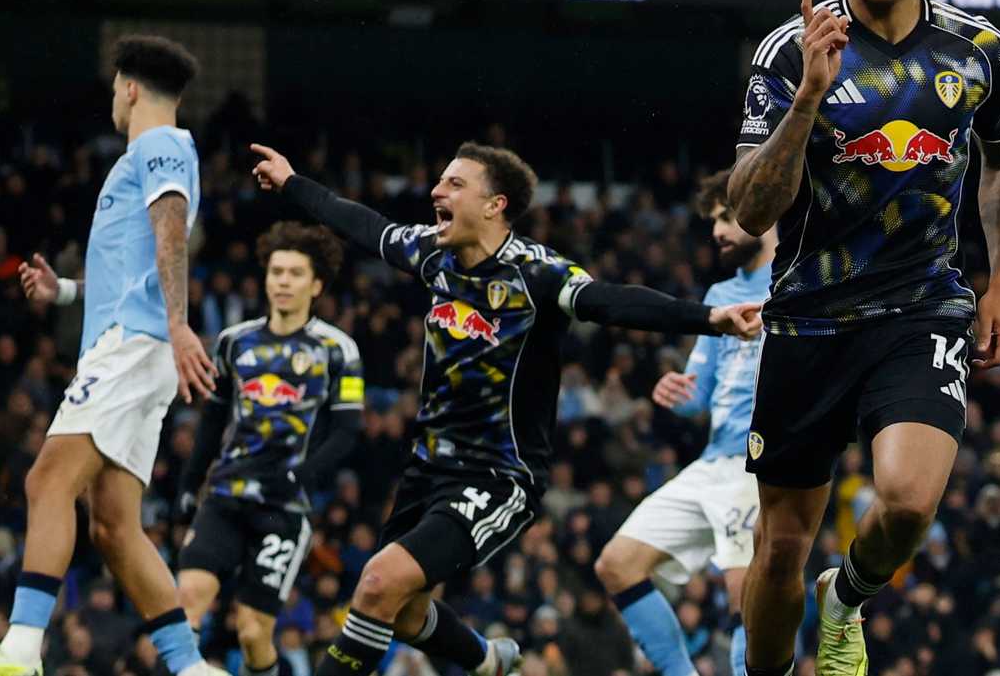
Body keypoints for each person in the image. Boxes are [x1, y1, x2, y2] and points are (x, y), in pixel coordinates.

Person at [247, 142, 763, 676]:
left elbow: (612, 300)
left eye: (454, 184)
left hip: (498, 473)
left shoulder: (536, 274)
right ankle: (489, 661)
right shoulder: (432, 253)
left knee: (378, 582)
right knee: (402, 613)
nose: (435, 192)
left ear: (494, 205)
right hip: (427, 469)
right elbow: (358, 222)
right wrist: (291, 183)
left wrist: (709, 319)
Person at [726, 0, 1000, 676]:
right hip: (809, 317)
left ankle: (848, 594)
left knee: (906, 500)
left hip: (920, 306)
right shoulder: (791, 51)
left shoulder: (979, 50)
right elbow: (750, 210)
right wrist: (806, 102)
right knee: (780, 548)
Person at [0, 36, 226, 676]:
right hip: (135, 342)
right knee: (114, 527)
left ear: (128, 87)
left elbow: (172, 230)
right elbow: (136, 265)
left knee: (46, 480)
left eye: (113, 89)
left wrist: (180, 327)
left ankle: (20, 652)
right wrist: (65, 289)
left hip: (132, 346)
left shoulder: (157, 147)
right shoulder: (155, 153)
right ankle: (191, 668)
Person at [593, 169, 777, 676]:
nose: (717, 231)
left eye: (726, 216)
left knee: (744, 592)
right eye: (713, 221)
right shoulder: (719, 295)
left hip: (762, 463)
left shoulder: (799, 278)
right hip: (712, 461)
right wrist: (676, 391)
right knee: (616, 564)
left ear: (764, 208)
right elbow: (700, 393)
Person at [175, 222, 366, 676]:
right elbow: (213, 419)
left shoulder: (339, 350)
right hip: (223, 497)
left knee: (253, 631)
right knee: (184, 609)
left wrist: (302, 475)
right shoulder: (233, 342)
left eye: (295, 273)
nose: (283, 281)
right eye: (276, 271)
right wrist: (189, 481)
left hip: (283, 507)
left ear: (316, 284)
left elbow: (346, 433)